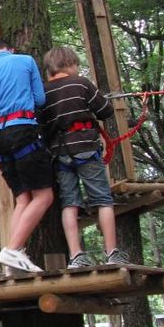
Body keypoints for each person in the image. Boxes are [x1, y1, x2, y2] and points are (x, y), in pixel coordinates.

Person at [38, 46, 129, 268]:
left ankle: (76, 255)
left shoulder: (43, 93)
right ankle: (111, 252)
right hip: (86, 148)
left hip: (60, 153)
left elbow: (42, 124)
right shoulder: (81, 83)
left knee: (69, 203)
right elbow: (105, 111)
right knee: (102, 200)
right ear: (70, 64)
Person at [0, 37, 54, 273]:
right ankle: (13, 249)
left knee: (23, 198)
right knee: (44, 196)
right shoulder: (25, 61)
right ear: (10, 49)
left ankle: (11, 261)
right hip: (23, 129)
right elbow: (39, 99)